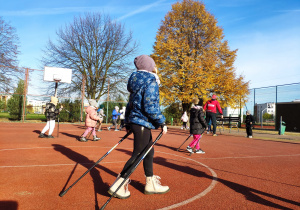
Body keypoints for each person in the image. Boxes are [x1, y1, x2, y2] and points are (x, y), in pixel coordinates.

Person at [108, 54, 169, 199]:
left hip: (137, 121)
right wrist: (162, 121)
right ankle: (118, 185)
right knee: (139, 153)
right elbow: (150, 105)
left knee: (148, 151)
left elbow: (130, 103)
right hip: (143, 121)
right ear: (149, 66)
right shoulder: (151, 80)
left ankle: (150, 183)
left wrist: (128, 122)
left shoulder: (135, 80)